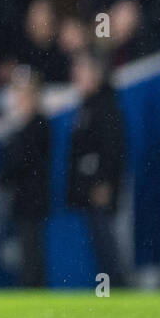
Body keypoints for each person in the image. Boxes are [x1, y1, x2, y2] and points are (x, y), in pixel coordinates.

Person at [65, 53, 127, 286]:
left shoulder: (106, 105)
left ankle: (120, 292)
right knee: (100, 248)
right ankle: (110, 292)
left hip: (101, 190)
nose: (76, 77)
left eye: (81, 71)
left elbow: (113, 148)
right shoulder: (87, 105)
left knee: (110, 248)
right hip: (89, 190)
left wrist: (104, 182)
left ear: (96, 74)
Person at [0, 67, 51, 287]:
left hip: (32, 197)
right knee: (27, 248)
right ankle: (30, 286)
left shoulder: (38, 125)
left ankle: (34, 287)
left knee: (32, 248)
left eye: (24, 94)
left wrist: (6, 176)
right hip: (25, 197)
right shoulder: (25, 125)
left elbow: (24, 161)